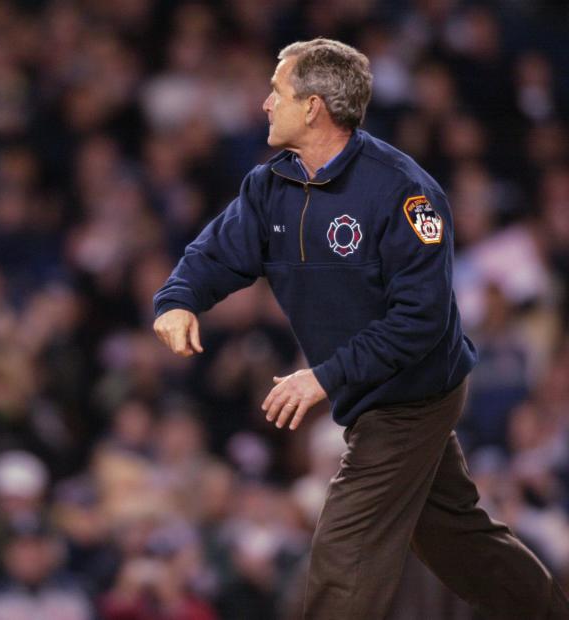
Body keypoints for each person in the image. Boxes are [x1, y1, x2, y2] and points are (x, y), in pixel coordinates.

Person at [153, 38, 569, 619]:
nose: (266, 103)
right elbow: (218, 252)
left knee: (346, 545)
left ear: (315, 107)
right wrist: (178, 300)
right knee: (457, 540)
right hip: (361, 391)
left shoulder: (403, 191)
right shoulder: (271, 184)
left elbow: (420, 321)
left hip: (414, 393)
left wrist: (322, 377)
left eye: (277, 91)